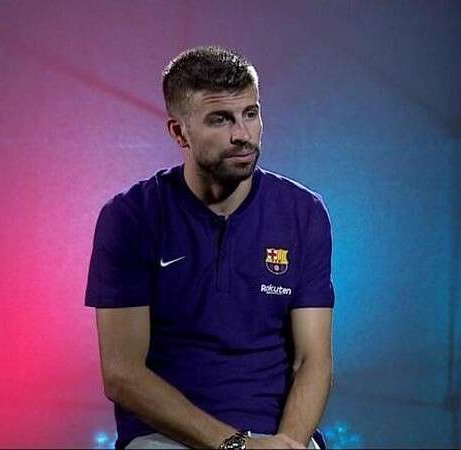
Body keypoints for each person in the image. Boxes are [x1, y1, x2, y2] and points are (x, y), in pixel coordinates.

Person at [84, 46, 335, 450]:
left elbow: (313, 360)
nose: (242, 135)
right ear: (179, 132)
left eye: (250, 114)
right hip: (164, 439)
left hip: (276, 437)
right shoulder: (130, 216)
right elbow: (122, 374)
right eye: (220, 119)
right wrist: (235, 445)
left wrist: (288, 442)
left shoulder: (303, 212)